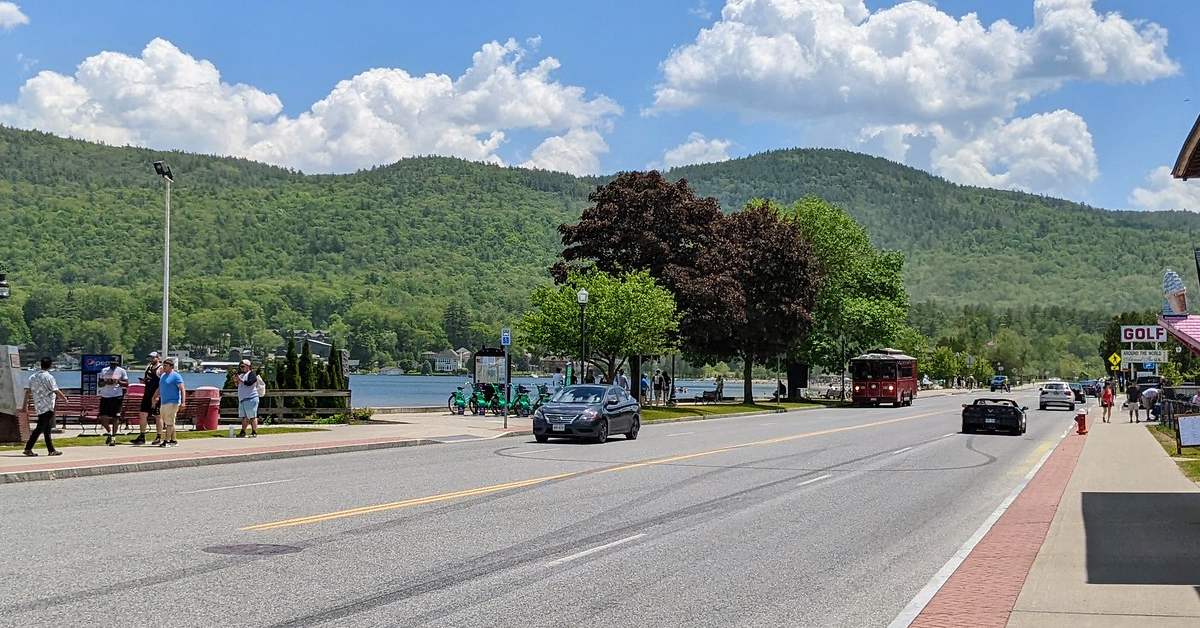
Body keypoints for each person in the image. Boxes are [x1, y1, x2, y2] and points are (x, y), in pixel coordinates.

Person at [23, 357, 67, 457]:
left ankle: (51, 450)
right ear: (50, 365)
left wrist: (24, 404)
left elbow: (28, 391)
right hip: (48, 406)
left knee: (47, 429)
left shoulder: (32, 377)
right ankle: (28, 448)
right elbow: (55, 390)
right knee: (40, 428)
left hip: (38, 405)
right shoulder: (49, 377)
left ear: (41, 364)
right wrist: (64, 398)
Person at [152, 358, 185, 447]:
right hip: (164, 402)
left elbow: (182, 389)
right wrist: (155, 397)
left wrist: (183, 402)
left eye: (166, 366)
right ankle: (174, 440)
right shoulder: (163, 376)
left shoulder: (176, 376)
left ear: (171, 367)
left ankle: (166, 441)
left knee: (169, 422)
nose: (164, 367)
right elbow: (160, 388)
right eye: (163, 365)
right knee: (169, 422)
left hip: (173, 402)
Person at [132, 351, 162, 446]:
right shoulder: (148, 367)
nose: (151, 360)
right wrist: (144, 381)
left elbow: (162, 383)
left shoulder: (160, 369)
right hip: (147, 394)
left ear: (158, 358)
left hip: (156, 395)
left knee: (158, 416)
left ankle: (159, 436)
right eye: (150, 358)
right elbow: (147, 379)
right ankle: (142, 436)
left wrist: (157, 396)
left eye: (153, 358)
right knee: (142, 414)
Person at [97, 360, 129, 446]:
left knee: (116, 417)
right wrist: (106, 382)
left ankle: (113, 436)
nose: (113, 365)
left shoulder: (121, 371)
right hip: (105, 396)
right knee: (103, 418)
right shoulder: (104, 370)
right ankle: (109, 432)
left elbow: (126, 384)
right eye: (111, 364)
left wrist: (118, 381)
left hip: (117, 396)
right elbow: (99, 384)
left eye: (114, 364)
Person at [236, 359, 261, 438]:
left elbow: (250, 383)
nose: (241, 368)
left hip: (251, 398)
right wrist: (236, 381)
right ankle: (243, 431)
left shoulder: (252, 374)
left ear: (248, 366)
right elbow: (238, 385)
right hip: (243, 399)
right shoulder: (241, 375)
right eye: (240, 367)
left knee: (252, 416)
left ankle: (254, 431)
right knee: (244, 417)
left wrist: (241, 381)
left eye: (243, 366)